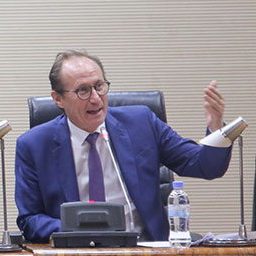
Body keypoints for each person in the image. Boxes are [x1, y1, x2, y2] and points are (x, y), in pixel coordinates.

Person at [15, 50, 231, 243]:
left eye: (99, 86)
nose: (96, 99)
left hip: (146, 255)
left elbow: (206, 166)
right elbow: (30, 220)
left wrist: (216, 129)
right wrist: (80, 230)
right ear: (58, 99)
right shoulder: (34, 145)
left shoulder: (142, 123)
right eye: (83, 91)